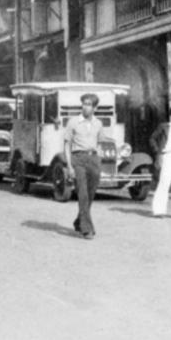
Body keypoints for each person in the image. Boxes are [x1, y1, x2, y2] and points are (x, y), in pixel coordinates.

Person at [64, 93, 107, 240]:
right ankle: (87, 229)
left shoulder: (98, 123)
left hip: (93, 160)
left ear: (95, 108)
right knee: (82, 194)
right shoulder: (73, 122)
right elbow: (67, 144)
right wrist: (69, 166)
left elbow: (100, 143)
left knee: (90, 194)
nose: (85, 107)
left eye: (89, 104)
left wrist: (98, 159)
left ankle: (79, 221)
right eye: (84, 103)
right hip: (78, 159)